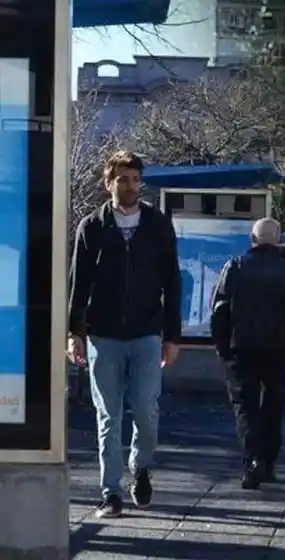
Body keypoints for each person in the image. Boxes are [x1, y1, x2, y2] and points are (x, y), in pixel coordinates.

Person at [67, 150, 182, 519]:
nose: (131, 186)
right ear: (109, 183)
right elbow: (78, 284)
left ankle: (141, 466)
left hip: (147, 332)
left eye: (135, 179)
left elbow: (172, 282)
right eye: (123, 179)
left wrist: (172, 336)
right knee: (108, 417)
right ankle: (110, 492)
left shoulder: (158, 225)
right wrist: (75, 332)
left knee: (147, 411)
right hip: (104, 336)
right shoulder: (92, 226)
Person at [210, 218, 285, 489]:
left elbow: (219, 310)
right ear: (278, 241)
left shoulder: (235, 268)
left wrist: (222, 345)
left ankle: (253, 461)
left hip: (241, 349)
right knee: (273, 406)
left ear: (252, 239)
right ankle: (269, 463)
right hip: (278, 350)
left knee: (245, 407)